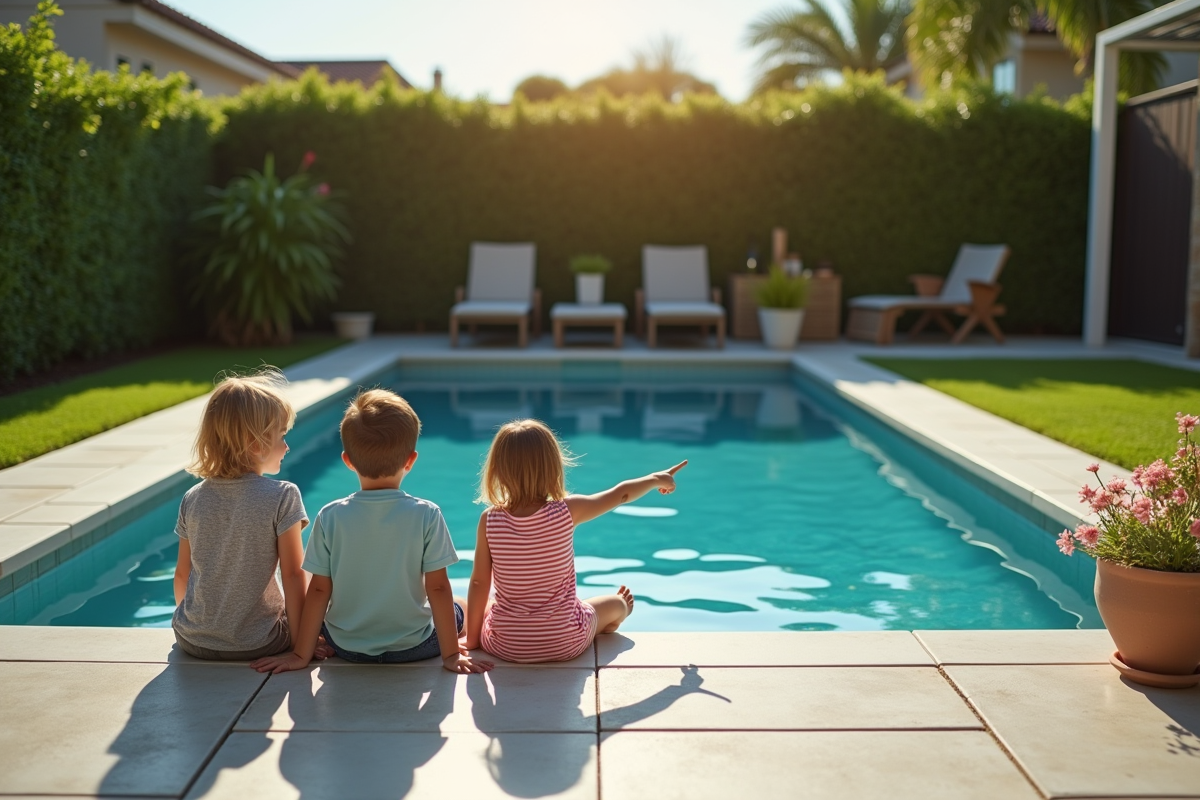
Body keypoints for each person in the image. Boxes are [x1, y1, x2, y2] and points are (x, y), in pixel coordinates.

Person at [252, 389, 492, 674]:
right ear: (411, 460)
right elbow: (437, 587)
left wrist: (300, 654)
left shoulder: (330, 516)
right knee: (458, 604)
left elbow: (318, 590)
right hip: (413, 647)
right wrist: (451, 655)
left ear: (348, 460)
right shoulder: (427, 514)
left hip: (347, 647)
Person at [465, 418, 686, 663]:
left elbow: (478, 582)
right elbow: (620, 494)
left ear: (496, 469)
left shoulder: (490, 520)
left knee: (485, 605)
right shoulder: (567, 511)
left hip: (504, 645)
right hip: (564, 642)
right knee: (614, 603)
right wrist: (657, 479)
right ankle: (615, 611)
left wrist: (474, 641)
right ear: (553, 467)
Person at [173, 370, 309, 661]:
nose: (287, 447)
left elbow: (183, 574)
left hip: (191, 641)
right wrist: (301, 647)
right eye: (282, 436)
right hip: (259, 642)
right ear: (256, 443)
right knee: (314, 573)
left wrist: (197, 629)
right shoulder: (283, 495)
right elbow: (293, 575)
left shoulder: (192, 498)